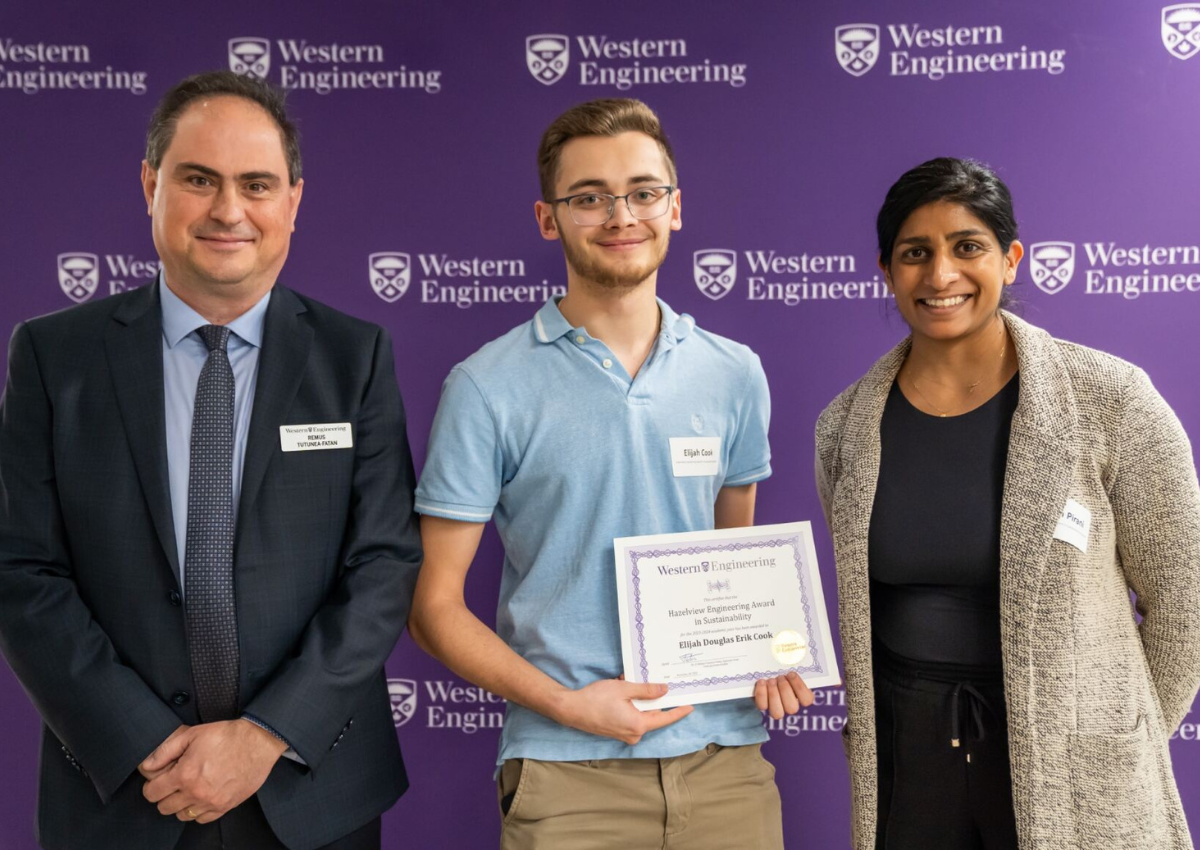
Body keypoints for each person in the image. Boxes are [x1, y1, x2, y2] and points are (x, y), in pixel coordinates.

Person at [0, 71, 422, 850]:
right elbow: (22, 570)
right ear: (150, 184)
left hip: (311, 788)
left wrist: (263, 736)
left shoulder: (354, 357)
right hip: (123, 789)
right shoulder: (55, 358)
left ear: (292, 201)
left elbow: (384, 563)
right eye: (199, 179)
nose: (229, 210)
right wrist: (145, 743)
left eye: (256, 184)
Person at [409, 98, 811, 850]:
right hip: (567, 775)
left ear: (675, 206)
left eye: (643, 192)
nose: (621, 215)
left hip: (726, 763)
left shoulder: (734, 375)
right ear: (547, 218)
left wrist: (768, 652)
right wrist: (568, 706)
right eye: (589, 197)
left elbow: (735, 565)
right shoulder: (486, 385)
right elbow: (433, 607)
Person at [814, 156, 1200, 849]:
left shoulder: (1111, 399)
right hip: (911, 759)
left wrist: (1114, 735)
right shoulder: (844, 427)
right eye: (915, 254)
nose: (940, 275)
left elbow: (1186, 599)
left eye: (967, 247)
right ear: (886, 270)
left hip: (1074, 769)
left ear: (1011, 258)